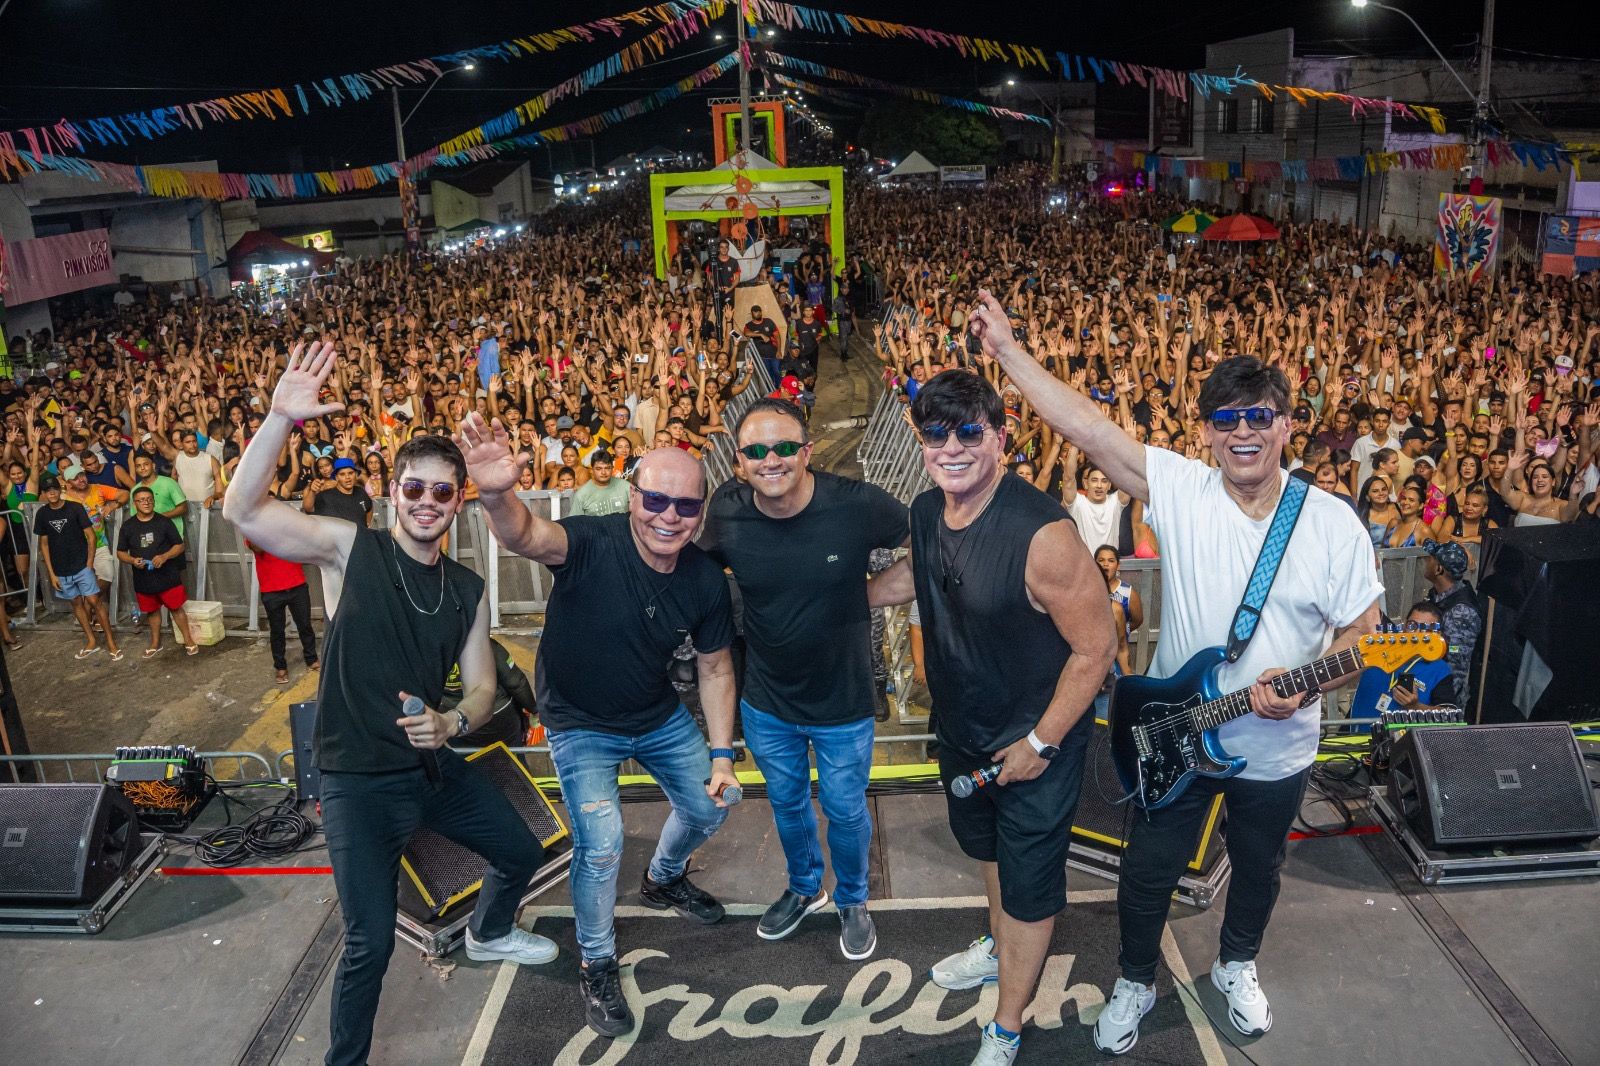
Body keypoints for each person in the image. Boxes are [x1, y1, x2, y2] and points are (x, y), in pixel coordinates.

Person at [965, 289, 1383, 1055]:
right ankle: (1134, 979)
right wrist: (1008, 352)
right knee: (1147, 871)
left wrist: (1308, 685)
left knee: (1258, 870)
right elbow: (1088, 428)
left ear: (1287, 425)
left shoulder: (1331, 523)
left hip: (1277, 750)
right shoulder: (1184, 489)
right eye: (1226, 419)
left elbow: (1366, 633)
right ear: (1207, 432)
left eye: (1259, 416)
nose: (1243, 431)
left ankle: (1236, 964)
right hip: (1177, 732)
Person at [223, 343, 555, 1066]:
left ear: (459, 502)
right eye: (414, 489)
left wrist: (452, 722)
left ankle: (490, 931)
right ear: (392, 493)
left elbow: (483, 688)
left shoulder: (466, 589)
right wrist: (279, 419)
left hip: (429, 770)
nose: (427, 502)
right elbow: (241, 507)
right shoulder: (352, 550)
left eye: (442, 492)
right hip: (357, 782)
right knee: (369, 944)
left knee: (521, 851)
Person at [455, 410, 738, 1040]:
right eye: (656, 500)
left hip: (654, 713)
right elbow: (527, 535)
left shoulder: (702, 579)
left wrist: (722, 755)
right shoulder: (591, 541)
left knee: (711, 807)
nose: (669, 517)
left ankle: (663, 878)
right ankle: (597, 959)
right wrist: (496, 494)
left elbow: (716, 668)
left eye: (685, 506)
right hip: (579, 722)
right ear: (632, 496)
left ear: (701, 513)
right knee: (602, 843)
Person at [867, 370, 1115, 1066]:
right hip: (964, 731)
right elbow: (917, 574)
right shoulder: (925, 510)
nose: (952, 448)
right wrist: (836, 598)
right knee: (989, 851)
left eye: (969, 432)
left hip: (1035, 742)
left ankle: (1006, 1024)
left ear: (1001, 438)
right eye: (936, 435)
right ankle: (999, 943)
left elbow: (1097, 649)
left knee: (1030, 887)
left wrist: (1041, 741)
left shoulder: (1044, 535)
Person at [699, 397, 908, 961]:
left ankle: (853, 899)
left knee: (845, 810)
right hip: (767, 703)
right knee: (788, 806)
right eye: (756, 451)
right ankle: (805, 887)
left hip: (844, 702)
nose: (772, 460)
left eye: (785, 447)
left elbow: (932, 544)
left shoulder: (857, 503)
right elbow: (692, 569)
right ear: (739, 462)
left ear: (808, 452)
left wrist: (869, 593)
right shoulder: (727, 511)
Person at [34, 477, 123, 661]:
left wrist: (89, 564)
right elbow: (44, 545)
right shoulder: (42, 514)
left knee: (94, 601)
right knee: (75, 603)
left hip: (81, 564)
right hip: (61, 569)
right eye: (47, 490)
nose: (52, 493)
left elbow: (91, 536)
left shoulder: (75, 508)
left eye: (54, 489)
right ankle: (91, 641)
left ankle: (111, 642)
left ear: (61, 489)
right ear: (43, 493)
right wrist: (52, 573)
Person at [115, 485, 197, 657]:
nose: (146, 503)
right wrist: (132, 560)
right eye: (141, 500)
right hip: (143, 578)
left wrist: (165, 556)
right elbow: (120, 552)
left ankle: (189, 640)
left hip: (168, 576)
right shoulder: (128, 526)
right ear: (135, 503)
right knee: (152, 611)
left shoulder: (164, 522)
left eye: (149, 499)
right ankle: (155, 643)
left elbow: (179, 546)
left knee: (176, 608)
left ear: (154, 501)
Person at [1348, 602, 1457, 718]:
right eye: (1412, 625)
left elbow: (1449, 715)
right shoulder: (1380, 647)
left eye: (1426, 629)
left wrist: (1416, 706)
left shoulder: (1440, 669)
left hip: (1398, 730)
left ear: (1437, 634)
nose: (1417, 633)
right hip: (1355, 727)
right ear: (1404, 625)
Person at [441, 636, 538, 750]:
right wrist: (533, 709)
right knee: (511, 756)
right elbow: (516, 682)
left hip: (455, 719)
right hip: (497, 716)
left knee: (463, 756)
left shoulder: (429, 651)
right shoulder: (485, 645)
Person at [1420, 539, 1482, 709]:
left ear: (1439, 569)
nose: (1426, 561)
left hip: (1442, 700)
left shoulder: (1461, 612)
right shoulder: (1441, 596)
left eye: (1431, 558)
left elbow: (1456, 667)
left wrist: (1440, 707)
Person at [250, 541, 319, 684]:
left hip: (297, 584)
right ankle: (280, 667)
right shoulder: (254, 529)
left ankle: (311, 659)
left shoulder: (289, 527)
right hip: (271, 589)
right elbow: (257, 547)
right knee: (277, 631)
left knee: (305, 625)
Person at [570, 450, 629, 516]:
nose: (603, 472)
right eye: (599, 469)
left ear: (612, 468)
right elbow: (574, 521)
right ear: (592, 470)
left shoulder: (626, 487)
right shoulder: (581, 495)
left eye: (607, 468)